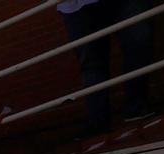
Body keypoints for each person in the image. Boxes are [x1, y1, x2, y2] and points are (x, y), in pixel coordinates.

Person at [61, 0, 153, 132]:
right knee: (91, 63)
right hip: (77, 6)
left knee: (139, 45)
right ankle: (98, 122)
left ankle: (135, 108)